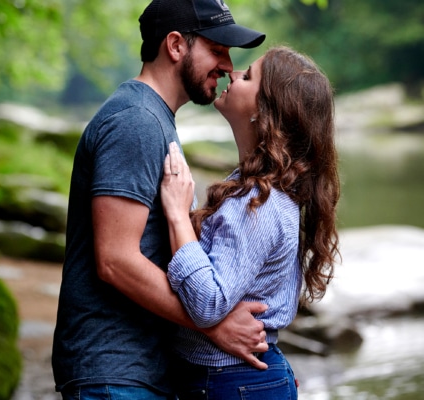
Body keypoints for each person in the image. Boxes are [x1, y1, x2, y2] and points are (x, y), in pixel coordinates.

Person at [52, 0, 269, 399]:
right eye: (217, 49)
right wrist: (214, 324)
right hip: (113, 373)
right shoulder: (136, 121)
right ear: (175, 45)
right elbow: (115, 260)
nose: (226, 65)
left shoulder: (152, 117)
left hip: (135, 372)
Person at [160, 45, 340, 399]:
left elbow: (209, 304)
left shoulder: (260, 203)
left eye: (248, 76)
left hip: (230, 380)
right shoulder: (253, 191)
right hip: (238, 378)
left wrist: (178, 216)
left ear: (265, 111)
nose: (232, 74)